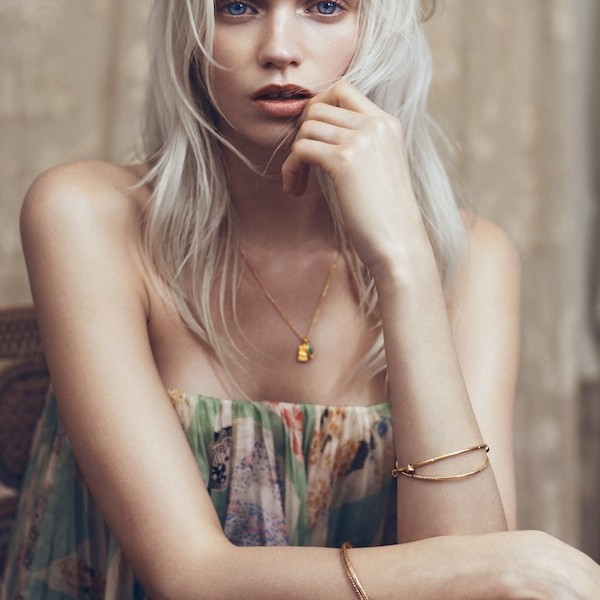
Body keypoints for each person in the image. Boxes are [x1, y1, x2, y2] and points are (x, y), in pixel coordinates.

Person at [3, 0, 599, 598]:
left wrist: (404, 266)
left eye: (326, 5)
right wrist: (508, 565)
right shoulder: (85, 216)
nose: (279, 48)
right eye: (237, 6)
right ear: (190, 33)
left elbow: (470, 585)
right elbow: (190, 578)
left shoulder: (472, 259)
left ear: (381, 28)